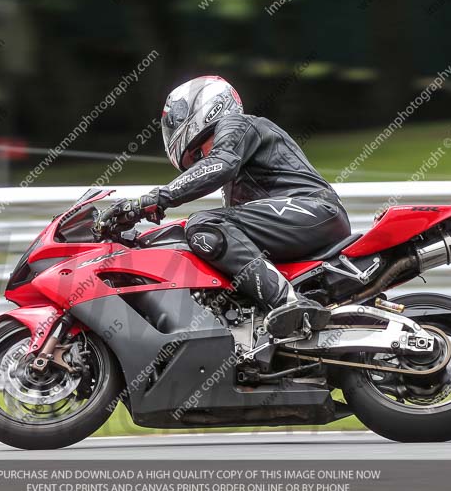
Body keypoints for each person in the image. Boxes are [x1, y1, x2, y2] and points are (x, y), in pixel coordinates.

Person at [94, 76, 351, 337]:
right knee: (193, 235)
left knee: (204, 225)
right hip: (302, 221)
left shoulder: (238, 124)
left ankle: (291, 304)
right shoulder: (237, 169)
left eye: (197, 154)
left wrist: (152, 200)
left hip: (314, 209)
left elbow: (220, 163)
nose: (201, 162)